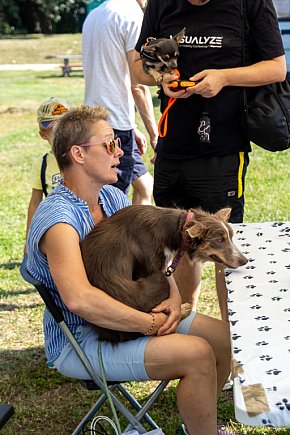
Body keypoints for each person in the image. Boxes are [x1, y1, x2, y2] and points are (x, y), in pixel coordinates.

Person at [26, 105, 232, 435]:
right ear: (78, 154)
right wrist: (149, 323)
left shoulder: (112, 197)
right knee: (198, 355)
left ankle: (196, 424)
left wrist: (174, 301)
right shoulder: (59, 222)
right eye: (109, 144)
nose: (120, 150)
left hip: (137, 307)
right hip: (82, 338)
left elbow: (157, 259)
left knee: (224, 341)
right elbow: (79, 300)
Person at [133, 0, 286, 319]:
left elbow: (276, 67)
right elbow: (137, 66)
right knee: (179, 245)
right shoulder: (161, 3)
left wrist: (224, 78)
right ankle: (185, 321)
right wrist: (162, 78)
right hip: (172, 149)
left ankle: (235, 333)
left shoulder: (250, 3)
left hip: (223, 149)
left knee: (225, 247)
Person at [82, 0, 157, 204]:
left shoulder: (95, 15)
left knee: (145, 185)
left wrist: (132, 127)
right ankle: (116, 237)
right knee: (113, 204)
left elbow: (108, 75)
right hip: (114, 129)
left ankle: (135, 235)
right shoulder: (132, 16)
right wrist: (154, 134)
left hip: (94, 121)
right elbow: (138, 85)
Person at [25, 97, 72, 246]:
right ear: (44, 134)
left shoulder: (85, 156)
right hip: (59, 230)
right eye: (55, 131)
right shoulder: (42, 164)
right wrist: (29, 244)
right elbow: (35, 202)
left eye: (66, 129)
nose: (62, 136)